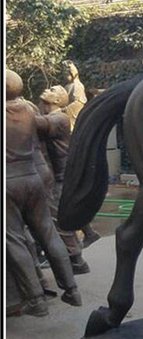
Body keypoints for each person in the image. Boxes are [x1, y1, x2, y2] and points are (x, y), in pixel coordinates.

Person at [6, 69, 82, 316]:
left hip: (7, 184)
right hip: (33, 179)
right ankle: (71, 289)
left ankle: (36, 300)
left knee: (14, 240)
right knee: (48, 232)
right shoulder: (29, 111)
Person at [38, 85, 90, 274]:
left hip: (62, 175)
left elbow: (30, 123)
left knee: (58, 218)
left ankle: (76, 259)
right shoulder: (50, 117)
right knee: (58, 214)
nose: (47, 90)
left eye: (52, 90)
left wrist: (14, 106)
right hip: (57, 174)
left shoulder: (58, 118)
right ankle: (85, 240)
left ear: (58, 100)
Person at [61, 60, 101, 248]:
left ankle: (73, 248)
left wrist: (61, 110)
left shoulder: (77, 87)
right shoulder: (67, 86)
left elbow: (78, 103)